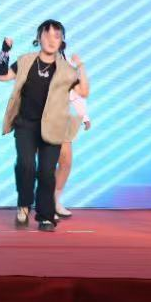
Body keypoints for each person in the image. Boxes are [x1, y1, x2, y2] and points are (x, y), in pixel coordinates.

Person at [0, 20, 90, 232]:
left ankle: (46, 216)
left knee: (47, 172)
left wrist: (81, 67)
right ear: (38, 38)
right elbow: (3, 76)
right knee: (26, 165)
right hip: (26, 124)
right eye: (47, 35)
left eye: (56, 36)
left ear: (62, 41)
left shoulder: (66, 70)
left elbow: (83, 92)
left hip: (54, 127)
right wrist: (5, 51)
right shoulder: (26, 61)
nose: (51, 40)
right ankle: (23, 205)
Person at [55, 90, 91, 218]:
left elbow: (75, 95)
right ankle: (45, 204)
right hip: (39, 120)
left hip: (61, 120)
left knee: (66, 163)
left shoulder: (68, 77)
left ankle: (54, 201)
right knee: (46, 163)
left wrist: (84, 116)